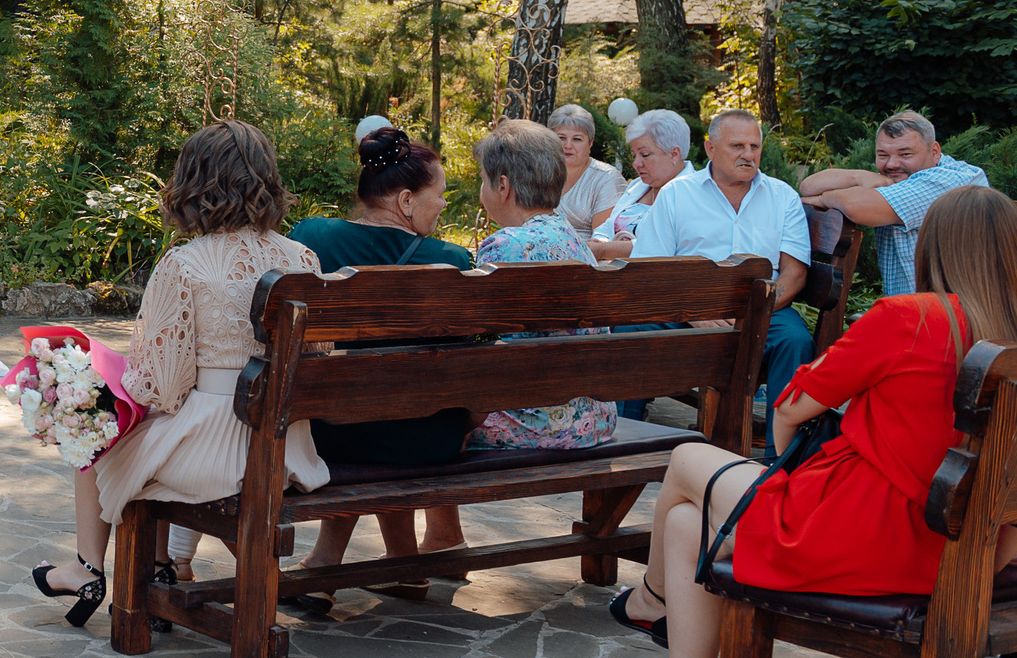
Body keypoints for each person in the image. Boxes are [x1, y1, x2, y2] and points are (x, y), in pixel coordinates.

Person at [591, 185, 1017, 658]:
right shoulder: (1008, 337)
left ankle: (649, 598)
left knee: (690, 460)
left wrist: (786, 479)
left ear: (933, 250)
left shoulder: (908, 320)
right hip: (970, 552)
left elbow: (792, 406)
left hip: (868, 538)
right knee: (690, 524)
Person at [31, 121, 324, 617]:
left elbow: (157, 388)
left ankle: (87, 568)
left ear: (193, 184)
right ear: (267, 180)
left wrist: (92, 379)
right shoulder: (303, 258)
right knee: (158, 426)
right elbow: (318, 361)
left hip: (219, 456)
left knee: (88, 419)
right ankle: (162, 564)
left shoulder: (185, 264)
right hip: (288, 447)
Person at [289, 121, 472, 586]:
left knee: (356, 401)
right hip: (427, 440)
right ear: (406, 201)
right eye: (440, 193)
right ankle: (400, 563)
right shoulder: (451, 262)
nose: (444, 203)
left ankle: (341, 563)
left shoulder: (309, 236)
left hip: (330, 434)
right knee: (392, 399)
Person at [629, 109, 813, 418]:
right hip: (685, 308)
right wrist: (693, 311)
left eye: (754, 146)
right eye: (737, 146)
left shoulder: (783, 197)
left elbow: (794, 274)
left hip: (764, 309)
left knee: (795, 341)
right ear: (710, 149)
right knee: (633, 330)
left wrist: (754, 312)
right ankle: (622, 442)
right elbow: (649, 268)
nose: (748, 155)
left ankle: (784, 456)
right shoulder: (677, 194)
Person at [467, 119, 619, 451]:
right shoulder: (575, 240)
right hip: (595, 419)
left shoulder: (504, 247)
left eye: (483, 181)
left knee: (428, 427)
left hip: (537, 425)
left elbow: (478, 340)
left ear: (503, 187)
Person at [798, 109, 990, 297]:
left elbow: (855, 206)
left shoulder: (948, 183)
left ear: (935, 151)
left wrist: (824, 199)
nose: (891, 164)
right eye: (883, 155)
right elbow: (808, 187)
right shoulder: (901, 182)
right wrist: (860, 176)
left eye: (905, 154)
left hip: (955, 318)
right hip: (915, 311)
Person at [588, 108, 700, 265]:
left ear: (674, 154)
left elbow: (661, 247)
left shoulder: (694, 192)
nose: (636, 164)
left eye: (645, 155)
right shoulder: (638, 185)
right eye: (634, 155)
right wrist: (599, 242)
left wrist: (605, 250)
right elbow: (606, 227)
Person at [550, 103, 626, 246]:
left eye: (577, 139)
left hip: (586, 260)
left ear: (590, 143)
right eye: (561, 138)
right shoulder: (539, 173)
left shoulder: (606, 178)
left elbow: (602, 241)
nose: (568, 145)